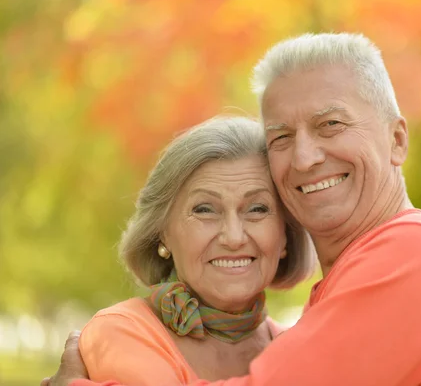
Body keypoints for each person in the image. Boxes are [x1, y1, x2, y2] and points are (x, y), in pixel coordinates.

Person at [45, 32, 421, 386]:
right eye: (282, 137)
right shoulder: (339, 293)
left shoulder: (416, 255)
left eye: (331, 124)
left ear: (397, 140)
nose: (304, 158)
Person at [61, 116, 315, 386]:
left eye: (257, 209)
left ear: (286, 234)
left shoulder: (301, 348)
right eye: (204, 209)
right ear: (163, 234)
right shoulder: (120, 330)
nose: (233, 237)